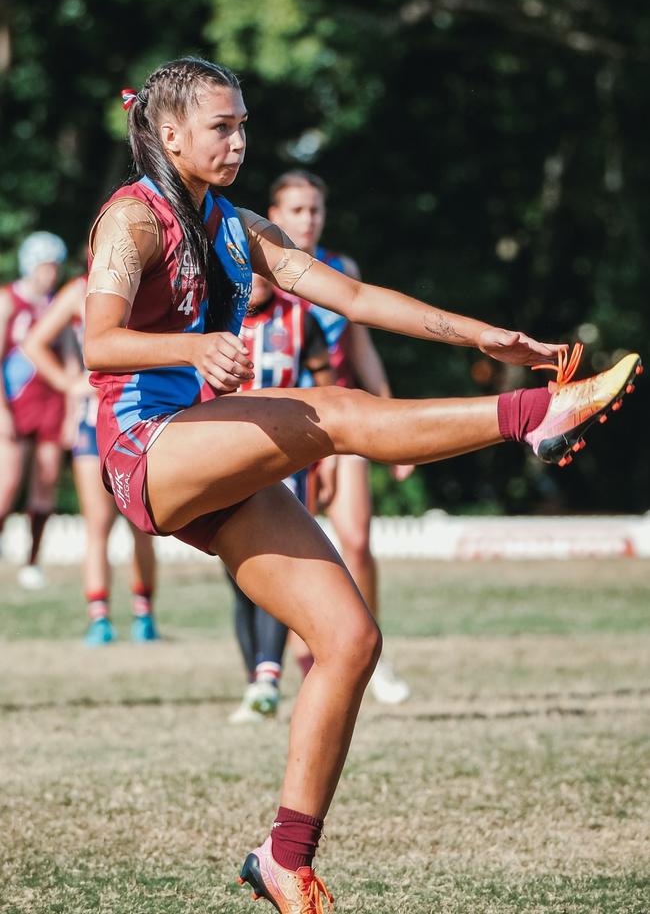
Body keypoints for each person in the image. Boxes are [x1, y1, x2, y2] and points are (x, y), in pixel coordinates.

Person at [84, 57, 640, 912]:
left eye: (243, 124)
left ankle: (283, 858)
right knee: (332, 412)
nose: (239, 140)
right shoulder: (131, 219)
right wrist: (192, 349)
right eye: (221, 127)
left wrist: (482, 336)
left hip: (206, 453)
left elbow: (352, 294)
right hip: (144, 449)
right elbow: (100, 345)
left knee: (348, 641)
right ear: (167, 134)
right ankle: (535, 416)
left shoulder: (239, 226)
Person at [268, 169, 415, 705]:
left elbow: (363, 352)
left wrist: (396, 426)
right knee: (289, 552)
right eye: (298, 210)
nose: (309, 219)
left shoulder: (342, 268)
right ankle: (293, 661)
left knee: (354, 538)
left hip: (344, 421)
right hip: (282, 425)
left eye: (316, 210)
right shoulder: (260, 267)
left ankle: (373, 657)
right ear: (276, 215)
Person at [22, 274, 160, 644]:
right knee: (97, 525)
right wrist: (70, 385)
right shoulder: (79, 290)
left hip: (140, 419)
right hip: (92, 422)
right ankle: (99, 618)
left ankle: (144, 613)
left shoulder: (149, 283)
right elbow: (33, 343)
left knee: (142, 524)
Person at [228, 271, 336, 723]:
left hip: (287, 455)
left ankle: (268, 680)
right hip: (226, 454)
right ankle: (258, 679)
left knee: (276, 565)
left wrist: (328, 456)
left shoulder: (301, 318)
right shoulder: (215, 315)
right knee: (239, 577)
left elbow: (327, 384)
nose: (256, 276)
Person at [0, 232, 67, 589]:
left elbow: (71, 359)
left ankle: (32, 561)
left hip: (50, 406)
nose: (50, 274)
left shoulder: (57, 305)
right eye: (45, 267)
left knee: (47, 480)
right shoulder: (8, 301)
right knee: (7, 483)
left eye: (54, 267)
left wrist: (72, 404)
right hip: (15, 405)